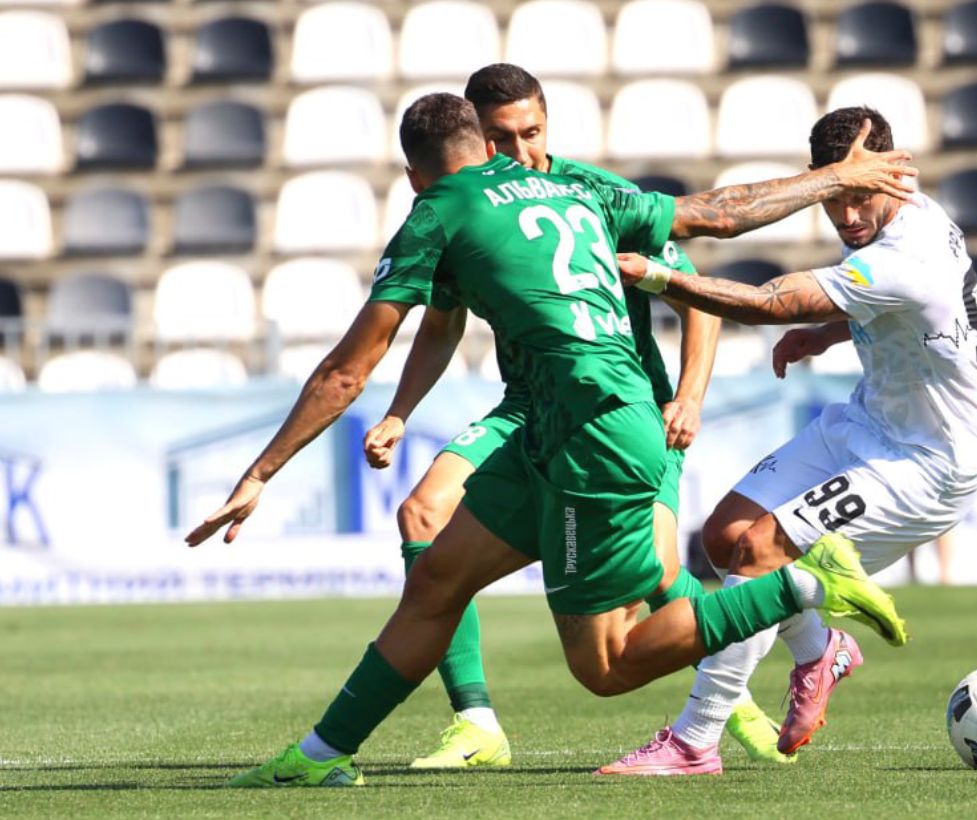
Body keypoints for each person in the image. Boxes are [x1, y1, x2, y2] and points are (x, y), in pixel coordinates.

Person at [185, 93, 919, 787]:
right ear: (485, 146)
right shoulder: (574, 188)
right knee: (438, 577)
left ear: (413, 176)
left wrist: (260, 474)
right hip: (554, 423)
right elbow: (716, 214)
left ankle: (805, 584)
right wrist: (835, 178)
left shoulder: (436, 212)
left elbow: (346, 373)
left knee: (606, 664)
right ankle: (321, 755)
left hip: (594, 432)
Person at [355, 64, 787, 770]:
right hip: (530, 407)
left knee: (657, 572)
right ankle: (476, 723)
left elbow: (694, 294)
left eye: (530, 133)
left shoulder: (591, 192)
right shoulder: (469, 203)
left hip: (623, 408)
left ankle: (734, 693)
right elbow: (441, 323)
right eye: (499, 139)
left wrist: (688, 396)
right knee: (422, 513)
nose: (518, 151)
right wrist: (400, 411)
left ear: (547, 124)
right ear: (473, 140)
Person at [604, 106, 977, 775]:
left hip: (927, 465)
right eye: (835, 196)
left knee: (759, 554)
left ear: (895, 174)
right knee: (726, 535)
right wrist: (829, 333)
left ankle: (695, 741)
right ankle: (820, 651)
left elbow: (767, 302)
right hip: (868, 423)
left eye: (859, 197)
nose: (847, 217)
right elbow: (905, 309)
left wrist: (663, 279)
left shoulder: (908, 254)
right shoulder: (900, 215)